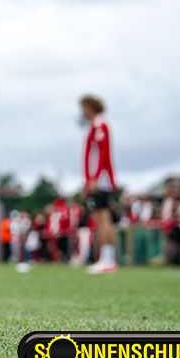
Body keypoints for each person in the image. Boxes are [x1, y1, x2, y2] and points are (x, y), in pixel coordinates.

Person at [80, 94, 118, 274]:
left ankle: (109, 259)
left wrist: (95, 178)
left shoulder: (99, 124)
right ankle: (104, 257)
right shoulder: (92, 126)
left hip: (100, 180)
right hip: (94, 180)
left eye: (84, 107)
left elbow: (103, 153)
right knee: (98, 219)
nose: (82, 111)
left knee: (103, 219)